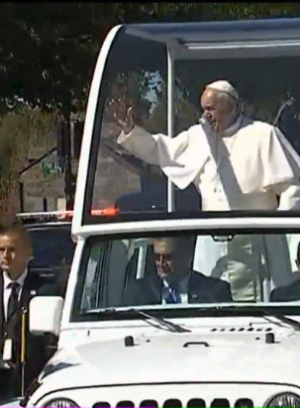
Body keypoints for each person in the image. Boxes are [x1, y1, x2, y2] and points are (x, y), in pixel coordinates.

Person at [112, 79, 300, 302]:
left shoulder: (263, 135)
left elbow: (293, 187)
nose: (205, 116)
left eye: (210, 109)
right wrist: (131, 132)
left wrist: (281, 233)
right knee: (211, 305)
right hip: (212, 244)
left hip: (258, 243)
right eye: (203, 109)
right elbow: (160, 150)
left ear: (231, 107)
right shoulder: (198, 136)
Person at [0, 224, 48, 398]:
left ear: (28, 254)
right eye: (1, 249)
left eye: (12, 250)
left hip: (29, 381)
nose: (5, 256)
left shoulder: (44, 290)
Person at [123, 236, 232, 306]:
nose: (161, 263)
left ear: (187, 256)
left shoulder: (215, 292)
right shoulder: (139, 291)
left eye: (168, 257)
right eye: (157, 257)